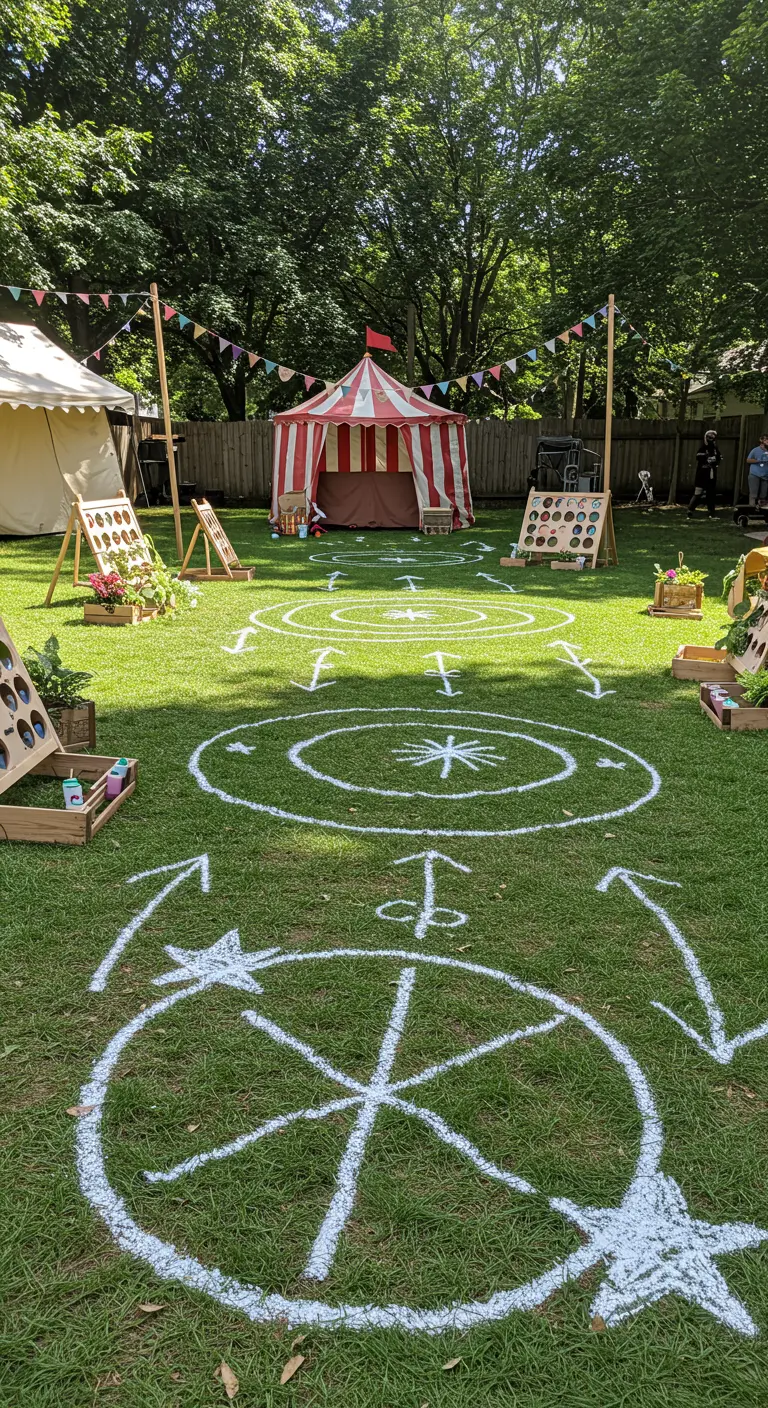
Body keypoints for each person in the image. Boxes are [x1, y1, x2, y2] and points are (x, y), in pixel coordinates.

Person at [687, 428, 721, 519]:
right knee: (698, 493)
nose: (712, 438)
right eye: (710, 436)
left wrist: (715, 461)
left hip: (711, 474)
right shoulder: (702, 448)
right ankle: (690, 510)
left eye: (713, 436)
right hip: (701, 474)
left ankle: (711, 513)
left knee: (711, 494)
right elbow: (699, 457)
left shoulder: (715, 449)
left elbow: (719, 458)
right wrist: (707, 459)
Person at [746, 433, 768, 507]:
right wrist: (758, 460)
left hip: (765, 476)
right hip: (755, 474)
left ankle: (762, 512)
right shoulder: (755, 450)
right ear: (761, 440)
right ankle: (751, 509)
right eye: (766, 439)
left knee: (763, 494)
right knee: (753, 494)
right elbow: (748, 460)